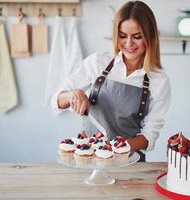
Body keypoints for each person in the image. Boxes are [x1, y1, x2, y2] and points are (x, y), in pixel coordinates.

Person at [52, 1, 171, 161]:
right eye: (122, 36)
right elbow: (57, 101)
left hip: (129, 163)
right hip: (89, 160)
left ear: (149, 37)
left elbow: (149, 136)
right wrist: (73, 94)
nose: (128, 44)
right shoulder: (97, 62)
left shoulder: (159, 81)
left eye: (137, 37)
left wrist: (117, 148)